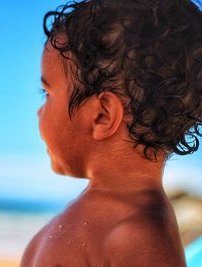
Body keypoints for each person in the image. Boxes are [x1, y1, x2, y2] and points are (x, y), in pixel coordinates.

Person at [20, 0, 202, 266]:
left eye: (47, 93)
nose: (38, 112)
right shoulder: (104, 215)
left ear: (102, 115)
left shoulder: (137, 235)